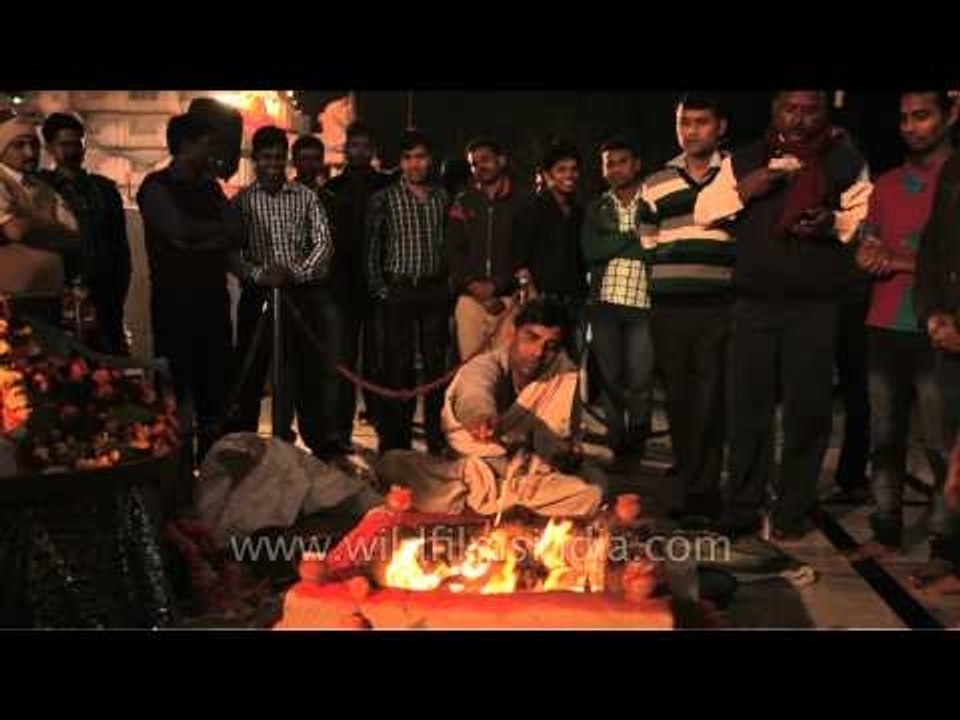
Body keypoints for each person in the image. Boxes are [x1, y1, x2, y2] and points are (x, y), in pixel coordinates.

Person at [694, 91, 872, 541]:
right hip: (753, 304)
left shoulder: (846, 160)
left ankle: (792, 510)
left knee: (808, 413)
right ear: (774, 111)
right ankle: (741, 508)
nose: (799, 118)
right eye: (789, 109)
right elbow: (703, 212)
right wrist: (743, 191)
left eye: (810, 109)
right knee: (746, 409)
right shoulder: (744, 160)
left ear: (825, 113)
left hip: (815, 306)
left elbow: (864, 220)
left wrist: (832, 222)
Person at [377, 297, 605, 517]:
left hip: (527, 477)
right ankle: (504, 503)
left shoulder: (561, 375)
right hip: (472, 471)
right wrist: (481, 417)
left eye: (550, 346)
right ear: (512, 333)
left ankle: (481, 502)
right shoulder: (484, 365)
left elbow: (558, 448)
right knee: (393, 463)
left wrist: (565, 457)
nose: (538, 353)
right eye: (531, 338)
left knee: (594, 489)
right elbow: (475, 393)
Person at [851, 92, 956, 567]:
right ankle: (886, 530)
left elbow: (947, 262)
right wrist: (869, 253)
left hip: (939, 330)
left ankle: (945, 547)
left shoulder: (954, 182)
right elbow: (868, 242)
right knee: (885, 439)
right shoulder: (888, 184)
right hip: (884, 325)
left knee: (941, 447)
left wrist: (896, 259)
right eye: (904, 118)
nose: (911, 127)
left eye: (922, 116)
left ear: (951, 114)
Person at [639, 93, 735, 520]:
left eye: (701, 121)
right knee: (679, 400)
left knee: (712, 398)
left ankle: (706, 489)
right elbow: (647, 241)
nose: (691, 130)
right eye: (684, 123)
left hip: (719, 304)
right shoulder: (657, 181)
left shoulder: (736, 175)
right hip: (670, 307)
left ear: (720, 127)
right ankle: (689, 486)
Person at [228, 126, 340, 459]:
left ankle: (318, 446)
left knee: (306, 372)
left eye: (279, 157)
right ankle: (244, 447)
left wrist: (293, 272)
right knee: (250, 371)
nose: (274, 164)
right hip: (257, 297)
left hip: (299, 297)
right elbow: (232, 253)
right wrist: (262, 275)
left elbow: (323, 244)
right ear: (256, 160)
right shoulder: (241, 202)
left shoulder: (306, 197)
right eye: (266, 158)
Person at [136, 112, 233, 474]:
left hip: (213, 301)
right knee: (175, 394)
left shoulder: (210, 187)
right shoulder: (155, 186)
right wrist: (209, 235)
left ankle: (211, 476)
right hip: (175, 304)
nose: (214, 150)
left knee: (215, 392)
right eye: (208, 143)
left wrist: (198, 237)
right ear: (187, 144)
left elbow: (234, 231)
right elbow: (178, 232)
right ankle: (174, 480)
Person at [365, 129, 450, 454]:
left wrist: (447, 285)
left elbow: (451, 244)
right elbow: (372, 249)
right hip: (398, 290)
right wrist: (379, 288)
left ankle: (435, 437)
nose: (415, 164)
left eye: (421, 157)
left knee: (435, 368)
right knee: (396, 368)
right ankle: (396, 440)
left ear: (431, 160)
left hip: (433, 293)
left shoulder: (443, 198)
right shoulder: (384, 198)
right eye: (408, 157)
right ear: (399, 162)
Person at [581, 137, 654, 469]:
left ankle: (637, 444)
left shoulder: (653, 202)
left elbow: (655, 249)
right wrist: (630, 239)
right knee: (610, 381)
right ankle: (616, 445)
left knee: (639, 380)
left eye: (621, 161)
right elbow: (591, 252)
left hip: (643, 303)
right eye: (609, 163)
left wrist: (615, 245)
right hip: (605, 304)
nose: (615, 169)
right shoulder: (597, 207)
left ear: (636, 164)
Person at [324, 121, 393, 448]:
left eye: (366, 145)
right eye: (355, 145)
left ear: (373, 150)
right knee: (343, 364)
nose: (361, 151)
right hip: (342, 288)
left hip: (380, 288)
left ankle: (383, 429)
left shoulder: (389, 185)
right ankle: (339, 432)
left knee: (380, 362)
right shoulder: (332, 189)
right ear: (346, 149)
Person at [39, 112, 131, 354]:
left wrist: (118, 290)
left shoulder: (105, 190)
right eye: (64, 145)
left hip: (104, 292)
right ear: (49, 147)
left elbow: (120, 247)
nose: (72, 151)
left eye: (77, 144)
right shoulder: (41, 189)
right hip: (59, 291)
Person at [447, 136, 526, 360]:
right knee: (471, 369)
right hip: (470, 300)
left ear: (501, 160)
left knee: (506, 366)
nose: (479, 166)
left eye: (485, 160)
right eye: (473, 163)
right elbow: (453, 251)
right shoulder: (462, 202)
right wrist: (475, 287)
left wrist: (497, 286)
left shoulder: (522, 202)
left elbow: (523, 251)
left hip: (507, 301)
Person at [0, 112, 79, 324]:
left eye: (34, 145)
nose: (30, 152)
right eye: (19, 145)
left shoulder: (43, 188)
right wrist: (53, 229)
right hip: (11, 303)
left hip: (48, 299)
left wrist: (30, 224)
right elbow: (15, 230)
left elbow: (73, 236)